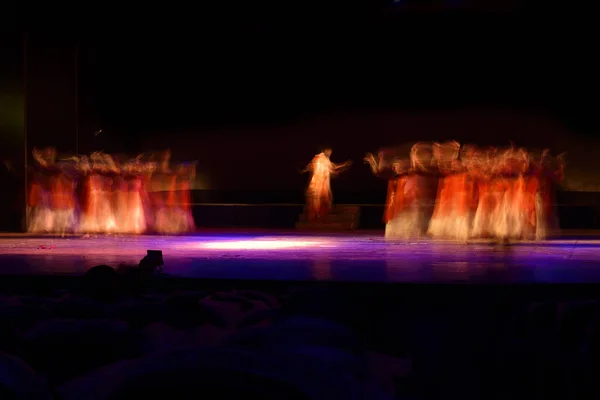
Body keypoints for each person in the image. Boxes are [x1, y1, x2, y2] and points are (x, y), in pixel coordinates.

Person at [304, 149, 351, 223]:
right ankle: (316, 217)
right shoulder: (319, 158)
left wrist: (344, 165)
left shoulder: (326, 160)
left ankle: (320, 217)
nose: (330, 153)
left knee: (325, 200)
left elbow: (332, 168)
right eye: (329, 151)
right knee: (318, 200)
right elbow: (314, 167)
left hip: (322, 183)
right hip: (318, 183)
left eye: (331, 152)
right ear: (325, 150)